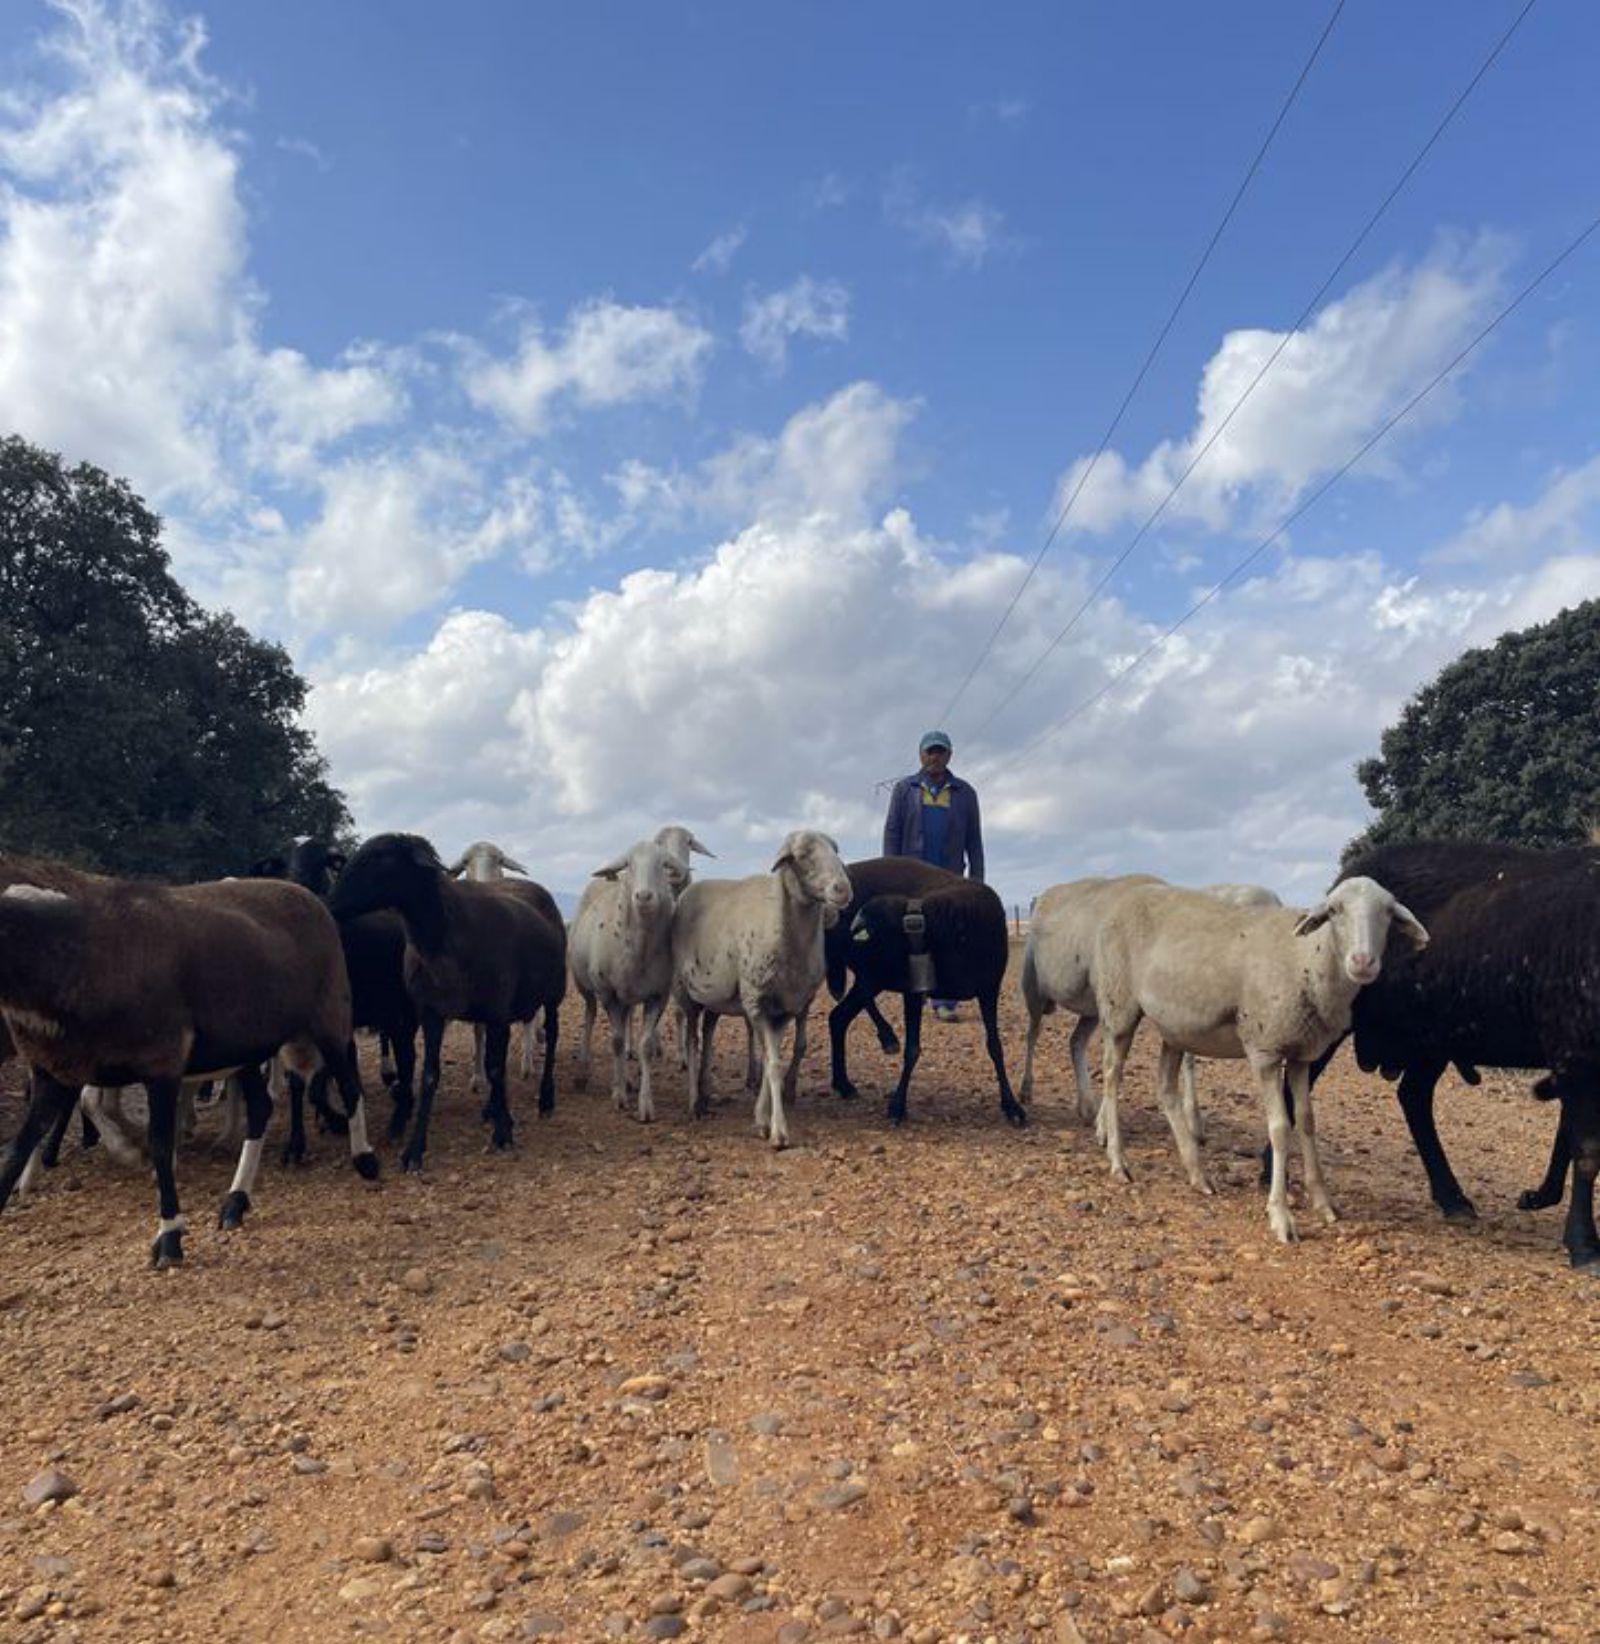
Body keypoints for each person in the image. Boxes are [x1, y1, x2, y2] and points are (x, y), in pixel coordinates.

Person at [882, 730, 985, 1021]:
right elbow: (892, 832)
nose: (934, 757)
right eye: (930, 751)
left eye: (940, 752)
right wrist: (890, 872)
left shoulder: (965, 793)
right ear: (920, 755)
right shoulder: (905, 790)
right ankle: (915, 993)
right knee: (913, 936)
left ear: (949, 755)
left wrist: (977, 880)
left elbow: (974, 840)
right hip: (911, 877)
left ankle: (946, 999)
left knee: (950, 936)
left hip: (949, 876)